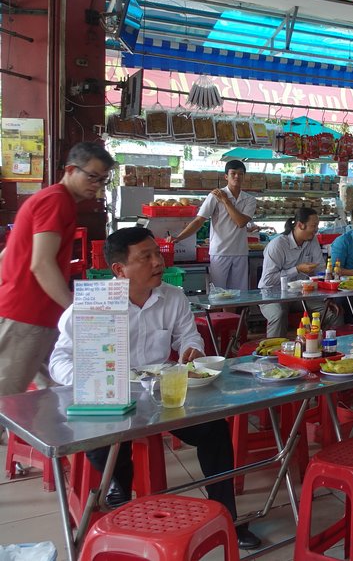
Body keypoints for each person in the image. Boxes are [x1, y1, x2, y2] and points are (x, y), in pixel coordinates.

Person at [48, 227, 261, 549]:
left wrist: (194, 350)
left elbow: (188, 336)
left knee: (215, 431)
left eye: (157, 253)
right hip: (112, 399)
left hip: (163, 396)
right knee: (105, 443)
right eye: (145, 257)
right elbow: (58, 361)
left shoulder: (172, 297)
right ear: (119, 270)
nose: (157, 262)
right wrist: (90, 379)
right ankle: (121, 508)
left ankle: (227, 513)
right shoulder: (93, 305)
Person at [0, 141, 115, 398]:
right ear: (71, 170)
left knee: (53, 394)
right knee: (7, 400)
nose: (96, 185)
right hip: (27, 314)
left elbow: (7, 254)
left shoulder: (52, 199)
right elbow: (41, 263)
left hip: (36, 314)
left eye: (103, 180)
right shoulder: (56, 201)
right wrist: (75, 308)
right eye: (92, 177)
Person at [171, 160, 256, 290]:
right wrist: (178, 238)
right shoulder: (215, 196)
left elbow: (241, 222)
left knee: (239, 293)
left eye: (240, 174)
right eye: (233, 173)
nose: (237, 177)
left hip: (240, 252)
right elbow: (199, 220)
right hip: (220, 251)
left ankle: (231, 312)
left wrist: (226, 201)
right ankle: (220, 311)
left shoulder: (249, 199)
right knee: (219, 292)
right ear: (226, 176)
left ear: (244, 176)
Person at [258, 207, 326, 337]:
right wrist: (297, 269)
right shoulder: (277, 245)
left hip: (299, 294)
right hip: (272, 294)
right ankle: (273, 352)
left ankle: (326, 347)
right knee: (278, 314)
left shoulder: (312, 240)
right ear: (300, 225)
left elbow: (320, 268)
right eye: (314, 226)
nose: (316, 230)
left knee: (330, 311)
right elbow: (268, 280)